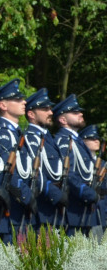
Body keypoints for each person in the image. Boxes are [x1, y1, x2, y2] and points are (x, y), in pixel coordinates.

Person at [0, 79, 32, 242]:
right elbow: (8, 171)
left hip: (21, 209)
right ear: (3, 105)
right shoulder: (3, 133)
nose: (24, 102)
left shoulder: (18, 133)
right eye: (18, 99)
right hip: (11, 209)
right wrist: (27, 195)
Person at [53, 94, 98, 234]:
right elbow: (68, 173)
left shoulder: (76, 140)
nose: (80, 114)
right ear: (62, 119)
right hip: (72, 210)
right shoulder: (64, 140)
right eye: (74, 112)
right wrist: (86, 193)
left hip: (83, 209)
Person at [23, 89, 65, 229]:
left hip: (55, 209)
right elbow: (35, 173)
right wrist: (55, 194)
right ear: (31, 114)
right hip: (42, 208)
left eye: (50, 108)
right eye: (45, 109)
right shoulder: (31, 138)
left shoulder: (48, 138)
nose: (51, 112)